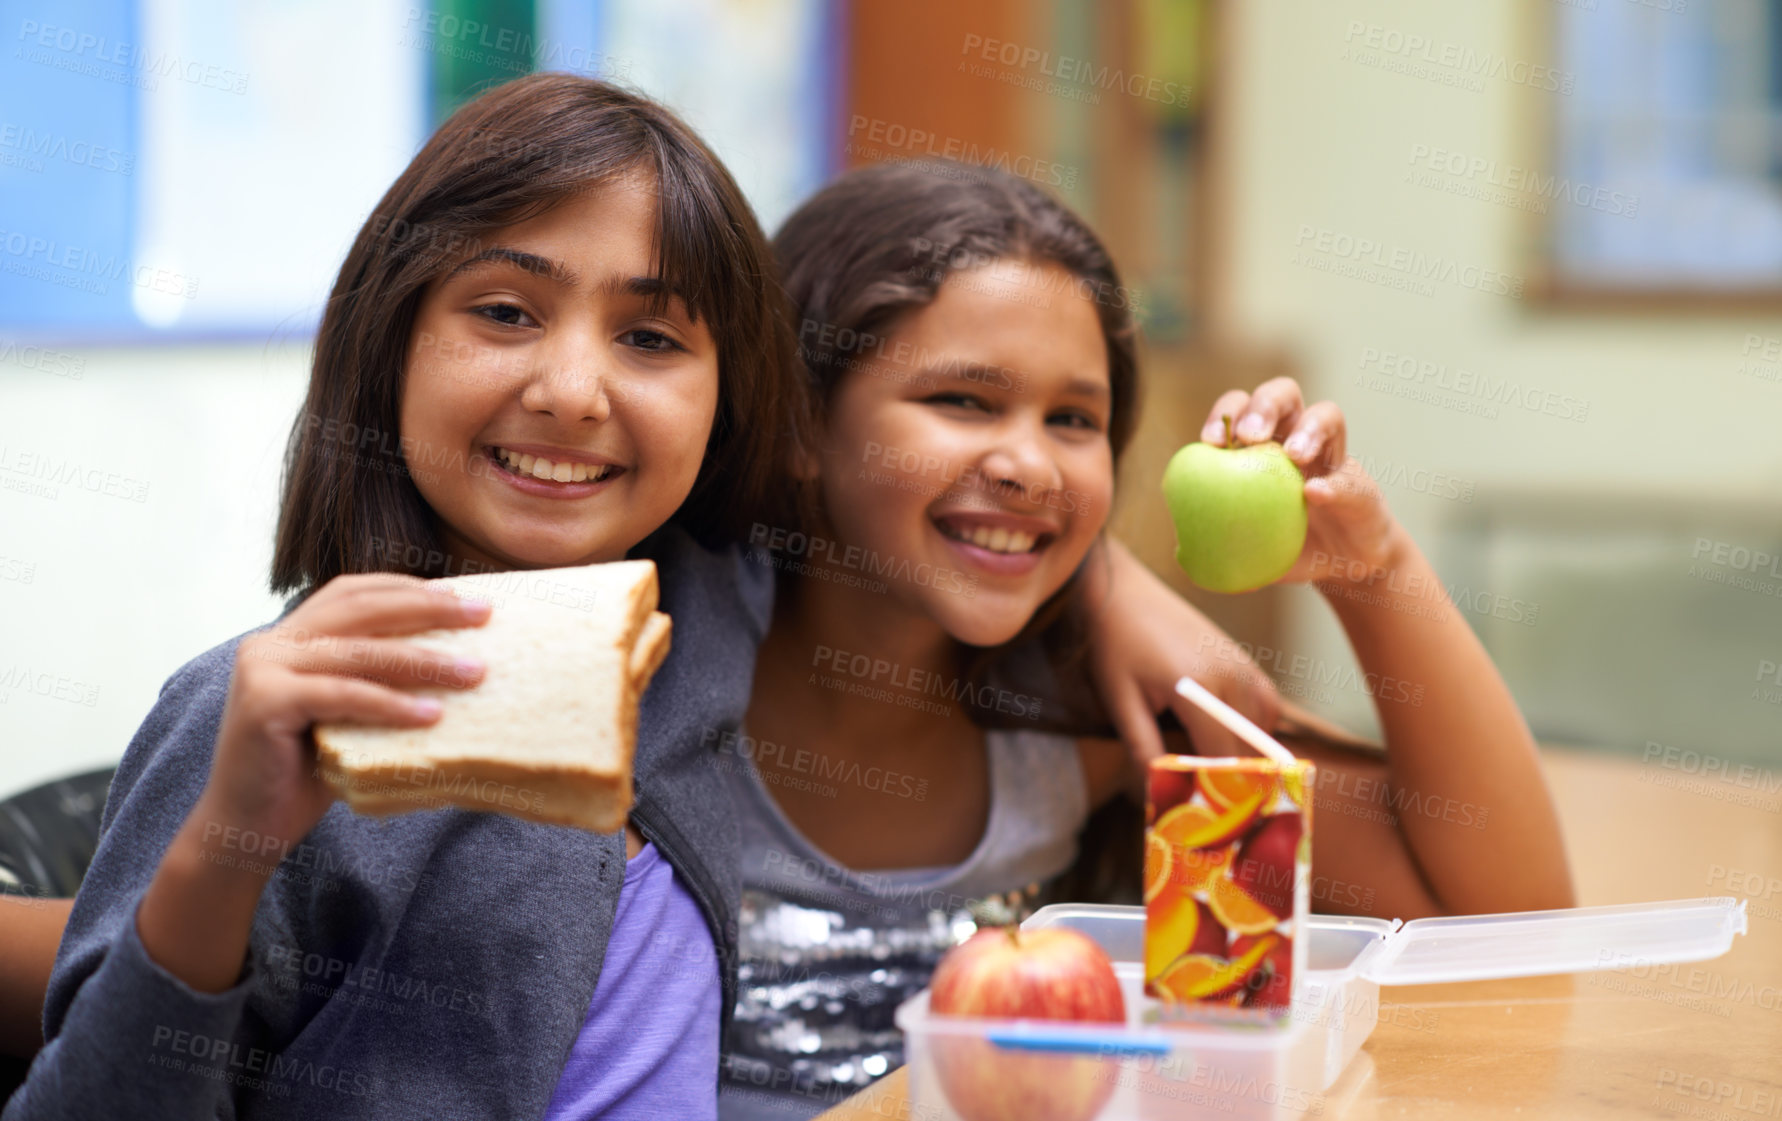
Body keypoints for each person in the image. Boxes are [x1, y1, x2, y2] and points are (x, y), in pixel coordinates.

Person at [3, 72, 807, 1120]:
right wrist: (227, 844)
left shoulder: (702, 615)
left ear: (725, 400)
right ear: (391, 343)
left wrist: (1101, 577)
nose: (572, 390)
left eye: (651, 338)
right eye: (506, 311)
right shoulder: (260, 716)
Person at [717, 160, 1574, 1118]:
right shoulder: (661, 665)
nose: (1031, 464)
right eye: (963, 399)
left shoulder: (1099, 722)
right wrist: (1103, 579)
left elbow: (1507, 930)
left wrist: (1377, 573)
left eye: (1074, 418)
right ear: (799, 420)